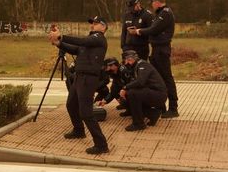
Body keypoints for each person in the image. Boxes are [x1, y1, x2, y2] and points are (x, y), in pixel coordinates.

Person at [49, 16, 109, 154]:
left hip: (88, 78)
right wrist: (59, 43)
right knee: (71, 104)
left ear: (103, 27)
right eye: (92, 23)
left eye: (96, 23)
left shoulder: (99, 38)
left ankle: (101, 144)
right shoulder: (90, 40)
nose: (92, 25)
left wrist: (62, 36)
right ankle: (78, 130)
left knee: (86, 113)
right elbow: (75, 49)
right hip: (80, 77)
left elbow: (81, 42)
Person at [129, 0, 178, 117]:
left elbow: (154, 29)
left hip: (162, 49)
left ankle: (173, 108)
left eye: (152, 3)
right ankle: (160, 106)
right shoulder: (160, 13)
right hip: (157, 49)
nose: (152, 5)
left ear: (156, 2)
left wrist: (138, 31)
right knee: (157, 78)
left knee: (166, 78)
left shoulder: (165, 13)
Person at [120, 49, 167, 131]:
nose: (125, 64)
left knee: (132, 93)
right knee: (129, 95)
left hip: (158, 95)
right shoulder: (136, 66)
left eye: (125, 61)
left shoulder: (143, 65)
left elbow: (140, 82)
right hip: (152, 93)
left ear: (129, 59)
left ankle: (138, 124)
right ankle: (152, 114)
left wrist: (125, 87)